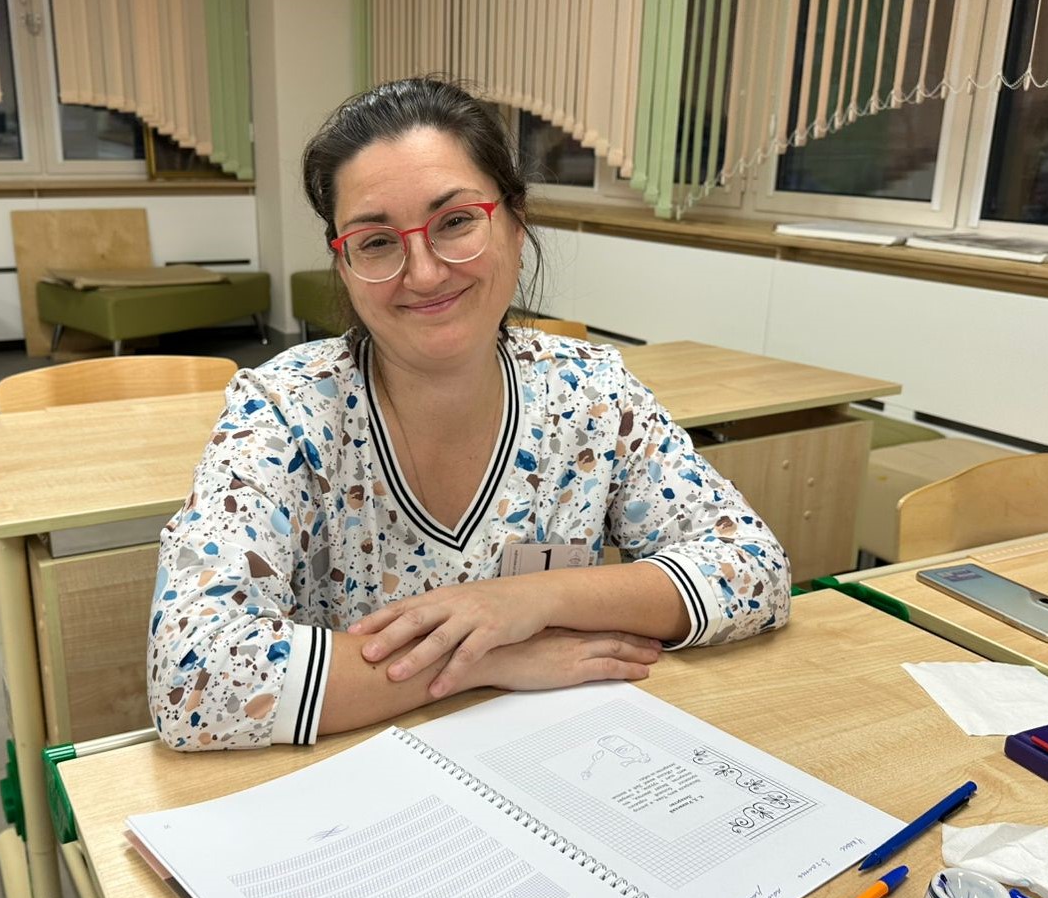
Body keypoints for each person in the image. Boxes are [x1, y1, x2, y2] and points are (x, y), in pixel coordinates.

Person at [148, 77, 790, 750]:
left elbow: (753, 568)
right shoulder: (284, 412)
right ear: (344, 266)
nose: (424, 273)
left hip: (556, 754)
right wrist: (485, 660)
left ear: (515, 224)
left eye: (455, 222)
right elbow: (192, 677)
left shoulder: (591, 391)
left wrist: (533, 602)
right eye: (376, 241)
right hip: (360, 773)